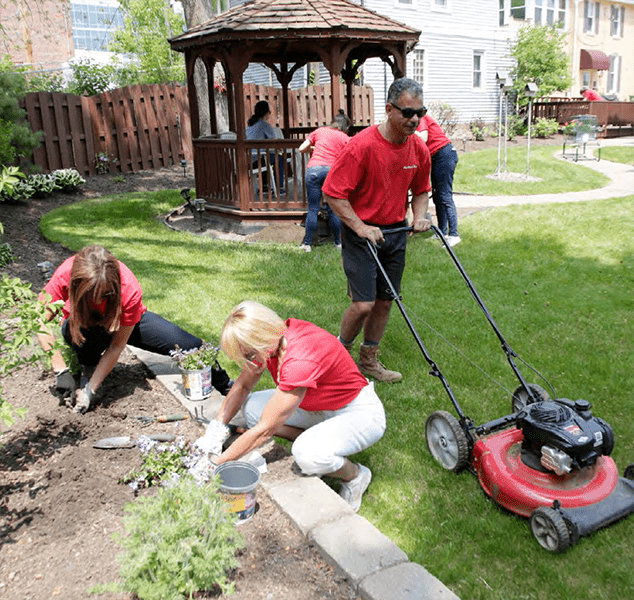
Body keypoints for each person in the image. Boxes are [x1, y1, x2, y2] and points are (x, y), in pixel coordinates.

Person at [195, 300, 386, 511]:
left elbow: (265, 430)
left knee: (307, 454)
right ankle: (320, 441)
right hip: (319, 405)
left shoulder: (300, 359)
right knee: (252, 409)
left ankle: (355, 475)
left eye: (249, 354)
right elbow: (242, 386)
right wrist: (216, 428)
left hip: (358, 413)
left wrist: (216, 464)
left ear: (262, 337)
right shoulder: (275, 337)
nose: (249, 361)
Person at [321, 77, 432, 383]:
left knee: (385, 300)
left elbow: (421, 189)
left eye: (419, 113)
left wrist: (419, 216)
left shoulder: (418, 149)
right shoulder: (362, 146)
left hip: (395, 232)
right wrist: (360, 226)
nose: (414, 119)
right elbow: (333, 192)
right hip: (361, 232)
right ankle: (338, 358)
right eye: (407, 112)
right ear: (388, 109)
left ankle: (369, 360)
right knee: (363, 303)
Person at [37, 245, 232, 413]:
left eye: (105, 295)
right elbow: (38, 321)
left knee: (193, 347)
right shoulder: (66, 275)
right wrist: (61, 371)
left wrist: (89, 392)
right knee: (86, 336)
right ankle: (89, 366)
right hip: (84, 327)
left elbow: (116, 346)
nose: (97, 301)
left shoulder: (127, 287)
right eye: (90, 295)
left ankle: (226, 386)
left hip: (124, 323)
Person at [297, 110, 351, 252]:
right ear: (343, 127)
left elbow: (301, 149)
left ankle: (307, 244)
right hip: (332, 172)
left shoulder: (319, 131)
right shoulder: (345, 137)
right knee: (333, 209)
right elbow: (350, 156)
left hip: (313, 170)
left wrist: (315, 148)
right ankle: (337, 243)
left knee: (313, 208)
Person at [415, 107, 460, 247]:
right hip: (436, 157)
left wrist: (407, 130)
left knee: (445, 195)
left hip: (444, 154)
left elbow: (423, 137)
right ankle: (441, 232)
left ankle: (454, 234)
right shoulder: (419, 118)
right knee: (437, 195)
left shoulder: (421, 119)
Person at [245, 100, 285, 193]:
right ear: (267, 112)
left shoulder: (249, 126)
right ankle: (279, 187)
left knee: (266, 157)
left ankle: (264, 186)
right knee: (278, 158)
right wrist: (280, 148)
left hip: (248, 158)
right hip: (258, 159)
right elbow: (274, 141)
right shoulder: (264, 125)